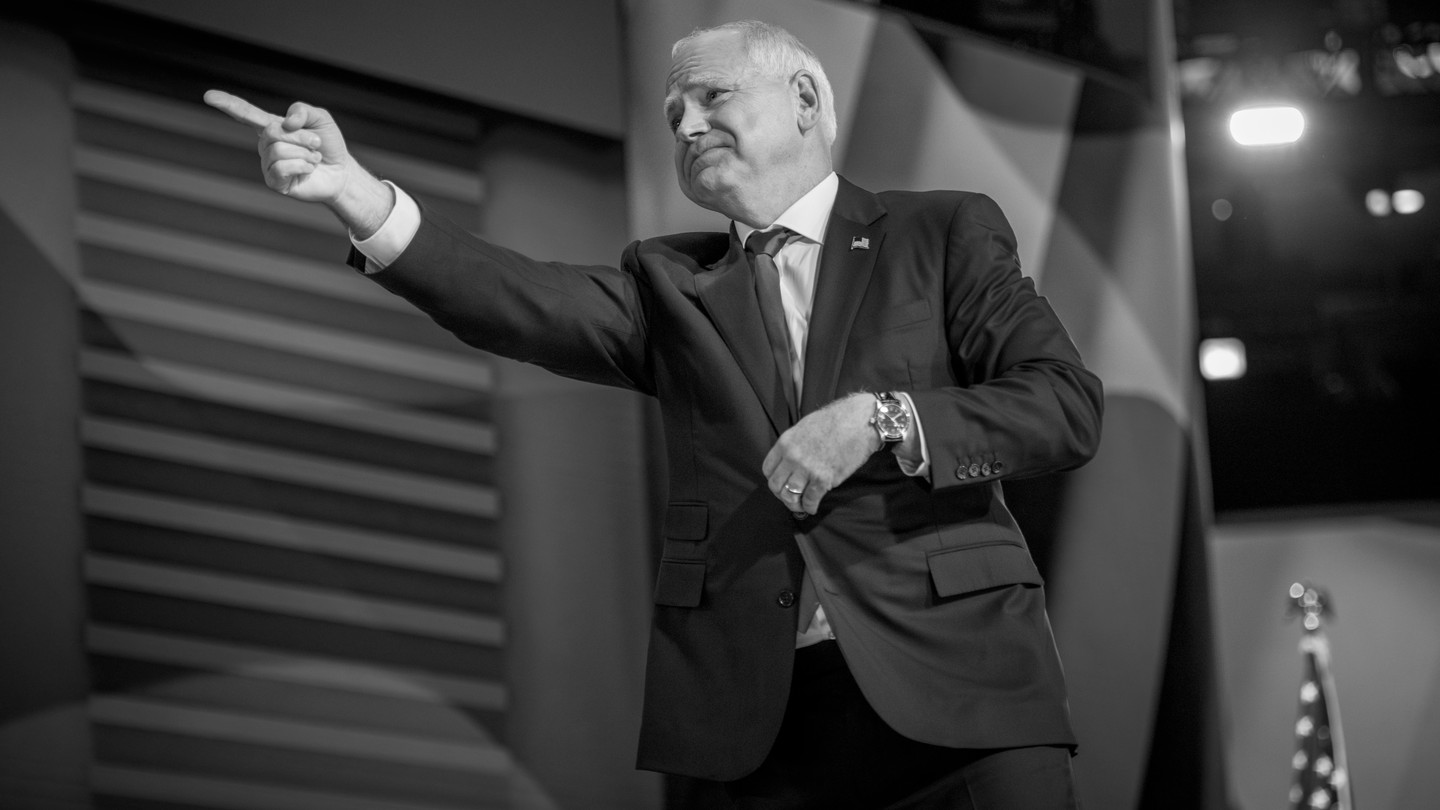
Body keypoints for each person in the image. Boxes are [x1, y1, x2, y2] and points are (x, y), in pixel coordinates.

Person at [206, 19, 1102, 809]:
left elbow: (1061, 405)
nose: (688, 125)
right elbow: (520, 299)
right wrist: (357, 196)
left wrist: (884, 419)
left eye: (712, 96)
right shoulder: (670, 285)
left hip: (964, 700)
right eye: (673, 116)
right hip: (761, 732)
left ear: (802, 98)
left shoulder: (939, 233)